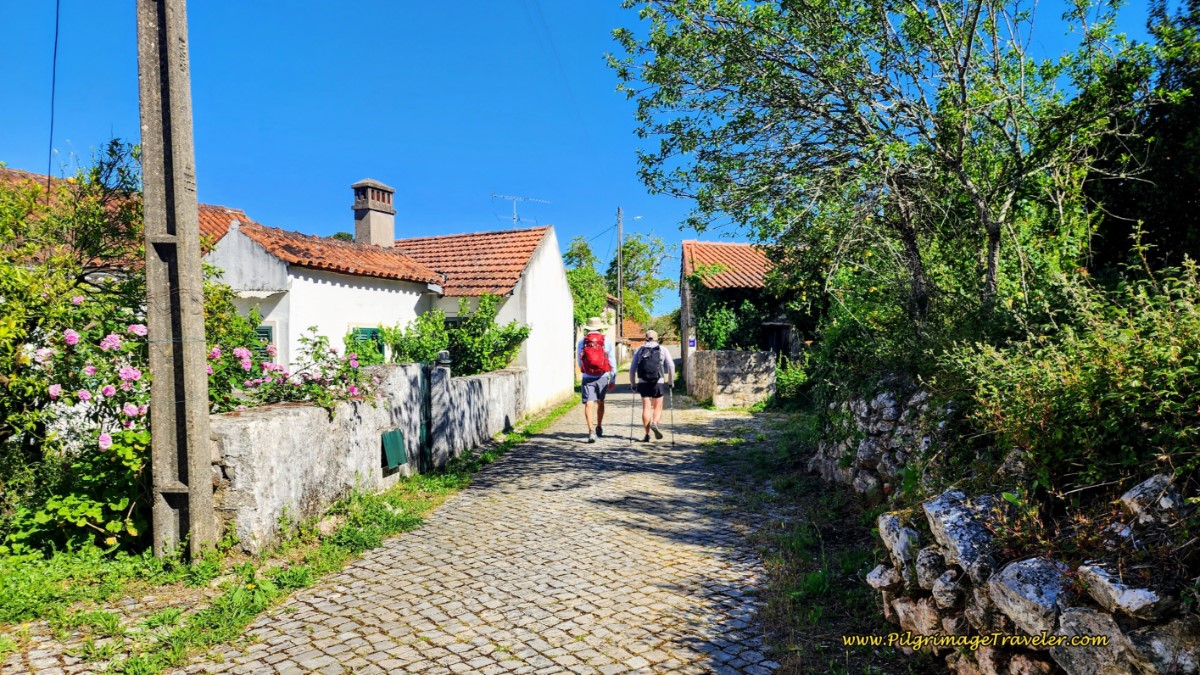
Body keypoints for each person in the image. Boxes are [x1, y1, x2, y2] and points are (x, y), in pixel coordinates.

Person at [629, 329, 675, 442]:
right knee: (658, 407)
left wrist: (633, 384)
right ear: (657, 339)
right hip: (658, 381)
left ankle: (647, 434)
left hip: (643, 382)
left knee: (646, 408)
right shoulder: (662, 349)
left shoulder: (640, 350)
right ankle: (655, 423)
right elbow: (671, 366)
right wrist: (670, 381)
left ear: (645, 338)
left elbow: (632, 368)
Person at [577, 316, 617, 443]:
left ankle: (591, 431)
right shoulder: (606, 341)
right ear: (600, 327)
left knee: (589, 403)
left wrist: (583, 370)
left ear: (588, 328)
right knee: (601, 402)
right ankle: (599, 426)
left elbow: (579, 359)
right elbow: (611, 359)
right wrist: (613, 377)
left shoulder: (582, 341)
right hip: (603, 376)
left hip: (587, 377)